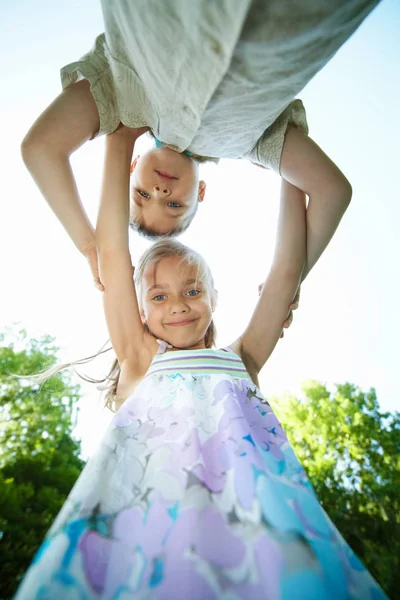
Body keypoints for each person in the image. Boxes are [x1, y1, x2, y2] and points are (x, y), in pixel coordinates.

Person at [14, 128, 387, 599]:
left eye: (192, 291)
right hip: (147, 518)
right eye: (158, 295)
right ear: (140, 310)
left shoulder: (242, 358)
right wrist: (120, 142)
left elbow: (286, 272)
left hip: (259, 512)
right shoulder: (139, 356)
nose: (178, 305)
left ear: (213, 298)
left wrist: (286, 169)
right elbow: (112, 251)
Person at [21, 0, 380, 284]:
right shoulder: (253, 142)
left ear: (131, 169)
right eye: (175, 205)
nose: (160, 194)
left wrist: (89, 245)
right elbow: (332, 192)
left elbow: (39, 149)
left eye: (142, 194)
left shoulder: (118, 100)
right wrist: (294, 277)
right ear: (201, 193)